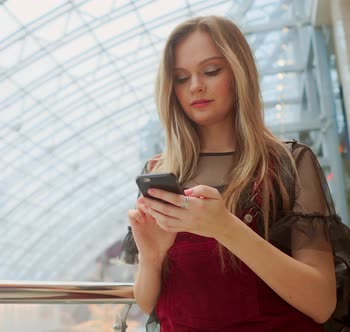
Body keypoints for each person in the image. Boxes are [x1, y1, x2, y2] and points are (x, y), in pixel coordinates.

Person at [120, 15, 350, 331]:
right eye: (181, 78)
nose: (196, 86)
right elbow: (150, 305)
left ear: (239, 72)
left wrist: (226, 228)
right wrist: (152, 255)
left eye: (211, 71)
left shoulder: (289, 164)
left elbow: (321, 304)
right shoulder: (159, 171)